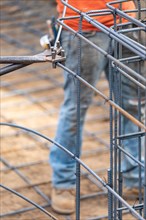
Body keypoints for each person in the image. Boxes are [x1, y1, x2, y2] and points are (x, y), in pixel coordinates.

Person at [49, 0, 145, 214]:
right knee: (75, 108)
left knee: (133, 105)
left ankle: (135, 176)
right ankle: (63, 181)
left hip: (125, 23)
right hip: (83, 26)